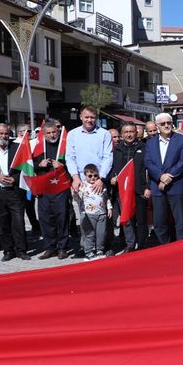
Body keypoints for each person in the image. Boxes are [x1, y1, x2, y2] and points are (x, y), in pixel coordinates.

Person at [66, 105, 113, 258]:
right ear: (81, 117)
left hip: (99, 181)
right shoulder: (72, 134)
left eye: (92, 117)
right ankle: (86, 247)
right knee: (84, 217)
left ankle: (102, 246)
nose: (89, 120)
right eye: (86, 117)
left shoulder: (104, 134)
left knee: (102, 217)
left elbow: (108, 157)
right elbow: (70, 157)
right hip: (80, 182)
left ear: (96, 118)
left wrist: (101, 178)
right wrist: (75, 177)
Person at [0, 124, 30, 261]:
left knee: (18, 222)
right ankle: (8, 251)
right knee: (2, 224)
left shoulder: (17, 148)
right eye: (1, 134)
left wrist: (14, 179)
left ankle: (21, 250)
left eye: (6, 133)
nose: (4, 136)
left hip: (14, 192)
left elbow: (25, 169)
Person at [144, 112, 183, 244]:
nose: (166, 125)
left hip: (177, 186)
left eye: (169, 123)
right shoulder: (150, 143)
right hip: (157, 187)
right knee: (159, 222)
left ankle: (181, 247)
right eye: (163, 123)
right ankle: (165, 247)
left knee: (179, 221)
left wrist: (168, 177)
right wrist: (160, 176)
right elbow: (148, 162)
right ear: (157, 126)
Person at [34, 120, 71, 260]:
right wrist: (39, 164)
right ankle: (50, 248)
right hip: (44, 187)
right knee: (45, 219)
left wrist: (62, 165)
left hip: (60, 187)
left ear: (58, 132)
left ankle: (62, 248)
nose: (52, 135)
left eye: (54, 132)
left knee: (62, 218)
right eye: (48, 133)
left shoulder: (65, 146)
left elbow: (73, 163)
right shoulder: (39, 148)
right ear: (44, 134)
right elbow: (29, 165)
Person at [110, 123, 149, 253]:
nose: (129, 134)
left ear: (136, 133)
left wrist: (148, 187)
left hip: (139, 189)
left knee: (141, 219)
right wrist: (112, 177)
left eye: (131, 131)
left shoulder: (144, 147)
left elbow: (149, 169)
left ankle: (142, 245)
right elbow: (112, 168)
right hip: (123, 190)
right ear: (121, 134)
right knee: (127, 219)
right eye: (126, 132)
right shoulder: (116, 149)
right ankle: (130, 244)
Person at [77, 164, 112, 261]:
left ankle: (99, 250)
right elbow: (78, 197)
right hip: (89, 214)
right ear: (85, 176)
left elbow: (106, 198)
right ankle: (88, 252)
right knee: (90, 234)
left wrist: (109, 208)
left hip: (101, 213)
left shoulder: (102, 185)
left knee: (101, 233)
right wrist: (76, 192)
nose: (93, 178)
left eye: (95, 176)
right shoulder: (83, 186)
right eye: (90, 176)